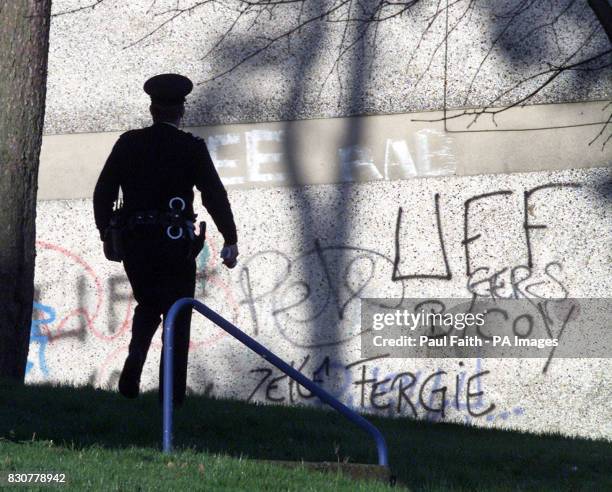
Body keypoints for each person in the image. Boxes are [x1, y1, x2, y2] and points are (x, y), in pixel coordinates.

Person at [93, 73, 239, 406]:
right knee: (178, 312)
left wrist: (106, 231)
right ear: (181, 111)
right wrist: (230, 238)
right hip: (175, 244)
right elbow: (213, 195)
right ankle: (171, 396)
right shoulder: (190, 147)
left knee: (149, 303)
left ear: (152, 109)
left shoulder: (128, 142)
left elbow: (103, 191)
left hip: (135, 242)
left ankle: (135, 358)